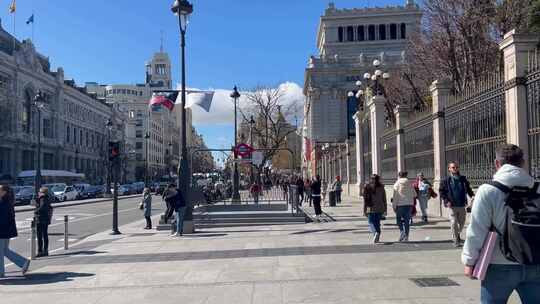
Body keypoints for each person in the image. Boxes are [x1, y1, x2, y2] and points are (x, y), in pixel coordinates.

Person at [462, 144, 540, 303]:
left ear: (497, 164)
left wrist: (469, 261)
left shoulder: (488, 190)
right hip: (535, 261)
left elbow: (477, 230)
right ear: (523, 163)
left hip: (498, 264)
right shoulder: (537, 188)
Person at [439, 161, 475, 247]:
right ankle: (455, 240)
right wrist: (446, 201)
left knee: (462, 223)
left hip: (462, 205)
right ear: (449, 169)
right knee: (453, 222)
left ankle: (457, 234)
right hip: (452, 205)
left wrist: (473, 195)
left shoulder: (463, 179)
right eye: (453, 167)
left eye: (456, 167)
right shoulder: (446, 180)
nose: (455, 169)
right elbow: (441, 191)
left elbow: (468, 189)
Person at [0, 185, 31, 277]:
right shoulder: (7, 201)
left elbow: (3, 219)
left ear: (4, 192)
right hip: (6, 231)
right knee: (5, 250)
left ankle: (1, 272)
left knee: (1, 251)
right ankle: (23, 262)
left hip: (2, 231)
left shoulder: (3, 203)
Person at [363, 174, 387, 243]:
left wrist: (364, 210)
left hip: (369, 207)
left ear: (371, 179)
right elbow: (384, 199)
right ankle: (377, 234)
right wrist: (385, 209)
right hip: (380, 207)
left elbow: (365, 199)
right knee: (377, 222)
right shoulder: (381, 187)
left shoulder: (367, 187)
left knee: (371, 222)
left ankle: (376, 233)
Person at [392, 171, 415, 242]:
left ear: (399, 176)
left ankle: (402, 231)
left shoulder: (397, 184)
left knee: (398, 220)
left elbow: (395, 196)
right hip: (409, 205)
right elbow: (415, 194)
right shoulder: (410, 183)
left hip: (400, 205)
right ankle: (406, 237)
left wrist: (394, 206)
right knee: (407, 221)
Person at [34, 187, 52, 257]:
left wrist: (36, 211)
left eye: (39, 191)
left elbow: (42, 207)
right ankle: (45, 250)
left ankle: (40, 251)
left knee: (39, 235)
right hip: (46, 219)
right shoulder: (47, 198)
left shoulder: (43, 198)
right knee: (45, 234)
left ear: (42, 192)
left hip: (41, 219)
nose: (38, 192)